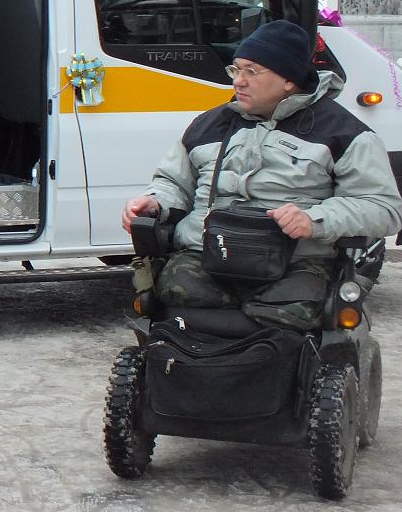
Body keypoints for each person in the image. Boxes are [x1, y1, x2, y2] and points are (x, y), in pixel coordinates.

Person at [122, 21, 402, 329]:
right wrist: (154, 202)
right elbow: (173, 183)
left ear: (288, 80)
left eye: (251, 71)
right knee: (173, 295)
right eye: (235, 70)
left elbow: (383, 207)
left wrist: (315, 219)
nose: (238, 82)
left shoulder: (345, 134)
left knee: (286, 312)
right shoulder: (208, 125)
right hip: (207, 253)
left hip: (295, 261)